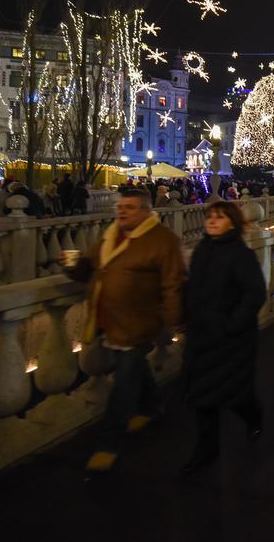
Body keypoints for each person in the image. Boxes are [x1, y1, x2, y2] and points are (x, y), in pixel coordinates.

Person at [66, 188, 185, 472]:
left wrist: (174, 317)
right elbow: (91, 267)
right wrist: (73, 266)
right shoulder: (110, 235)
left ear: (145, 210)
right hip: (108, 318)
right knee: (133, 370)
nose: (122, 211)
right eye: (120, 206)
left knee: (124, 382)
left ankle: (109, 443)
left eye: (129, 207)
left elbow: (172, 282)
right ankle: (153, 406)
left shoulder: (163, 240)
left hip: (140, 320)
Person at [181, 201, 267, 474]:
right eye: (209, 216)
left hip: (231, 339)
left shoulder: (241, 255)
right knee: (202, 396)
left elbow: (254, 294)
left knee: (232, 394)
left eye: (219, 217)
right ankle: (206, 449)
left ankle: (252, 413)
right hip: (201, 336)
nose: (212, 221)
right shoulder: (202, 250)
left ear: (232, 222)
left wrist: (231, 324)